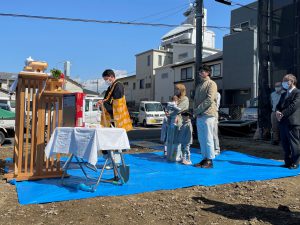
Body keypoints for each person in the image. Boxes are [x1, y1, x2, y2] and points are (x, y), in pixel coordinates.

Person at [97, 69, 132, 180]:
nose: (106, 81)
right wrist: (102, 102)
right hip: (111, 117)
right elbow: (107, 99)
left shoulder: (118, 86)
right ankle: (110, 159)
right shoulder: (110, 87)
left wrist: (104, 103)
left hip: (117, 117)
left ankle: (115, 162)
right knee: (107, 138)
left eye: (107, 79)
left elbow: (117, 103)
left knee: (116, 141)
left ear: (111, 76)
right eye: (105, 80)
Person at [193, 65, 218, 169]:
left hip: (208, 114)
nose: (200, 73)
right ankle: (204, 158)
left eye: (202, 71)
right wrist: (195, 111)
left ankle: (210, 160)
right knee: (201, 139)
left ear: (208, 72)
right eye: (199, 72)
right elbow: (195, 100)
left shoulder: (212, 83)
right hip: (200, 115)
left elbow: (209, 99)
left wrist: (197, 110)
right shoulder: (199, 85)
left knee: (208, 138)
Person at [276, 74, 300, 169]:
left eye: (285, 81)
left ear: (291, 81)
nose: (283, 83)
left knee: (294, 143)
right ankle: (287, 161)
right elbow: (278, 105)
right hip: (282, 122)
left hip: (292, 122)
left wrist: (282, 114)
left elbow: (293, 106)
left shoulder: (298, 93)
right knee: (285, 143)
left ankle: (295, 162)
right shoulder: (283, 94)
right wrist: (277, 111)